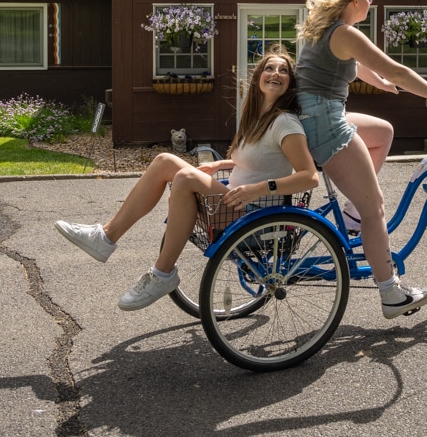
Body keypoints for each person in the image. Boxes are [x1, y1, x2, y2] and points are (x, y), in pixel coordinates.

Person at [54, 46, 318, 310]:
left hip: (255, 215)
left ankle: (162, 273)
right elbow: (259, 160)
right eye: (270, 68)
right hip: (234, 204)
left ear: (290, 83)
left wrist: (259, 189)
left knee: (185, 177)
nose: (276, 73)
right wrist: (221, 163)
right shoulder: (256, 118)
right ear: (258, 77)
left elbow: (309, 177)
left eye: (283, 70)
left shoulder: (285, 123)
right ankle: (105, 237)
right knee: (164, 161)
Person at [296, 0, 427, 319]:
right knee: (374, 207)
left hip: (313, 116)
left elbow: (359, 65)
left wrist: (381, 83)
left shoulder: (326, 30)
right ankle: (391, 292)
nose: (371, 2)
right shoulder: (346, 33)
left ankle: (351, 214)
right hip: (327, 123)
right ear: (354, 0)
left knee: (382, 132)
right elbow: (399, 71)